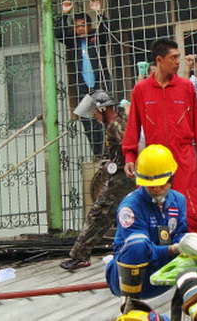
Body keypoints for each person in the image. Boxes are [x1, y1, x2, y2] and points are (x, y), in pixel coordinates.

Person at [122, 38, 197, 232]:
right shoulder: (141, 90)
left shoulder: (186, 87)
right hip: (155, 160)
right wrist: (130, 155)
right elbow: (132, 126)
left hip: (185, 159)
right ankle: (159, 251)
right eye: (174, 57)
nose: (179, 62)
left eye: (179, 57)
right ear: (160, 60)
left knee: (193, 210)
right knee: (153, 207)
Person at [60, 90, 136, 271]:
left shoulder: (116, 125)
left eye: (95, 111)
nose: (94, 115)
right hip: (120, 176)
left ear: (103, 109)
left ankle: (80, 256)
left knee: (99, 214)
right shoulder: (115, 124)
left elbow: (130, 145)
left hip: (122, 179)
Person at [106, 144, 187, 300]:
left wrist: (186, 244)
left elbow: (179, 234)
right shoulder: (130, 208)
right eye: (150, 185)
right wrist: (172, 249)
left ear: (172, 177)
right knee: (138, 244)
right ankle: (130, 307)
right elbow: (141, 251)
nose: (156, 188)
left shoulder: (179, 200)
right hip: (128, 277)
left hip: (163, 273)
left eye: (161, 183)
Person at [54, 0, 112, 157]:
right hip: (83, 88)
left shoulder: (96, 37)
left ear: (89, 26)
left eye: (83, 25)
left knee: (106, 120)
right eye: (77, 26)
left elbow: (106, 31)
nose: (80, 29)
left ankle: (109, 154)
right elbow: (58, 33)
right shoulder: (72, 41)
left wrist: (98, 12)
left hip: (100, 85)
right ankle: (98, 154)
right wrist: (65, 14)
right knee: (88, 123)